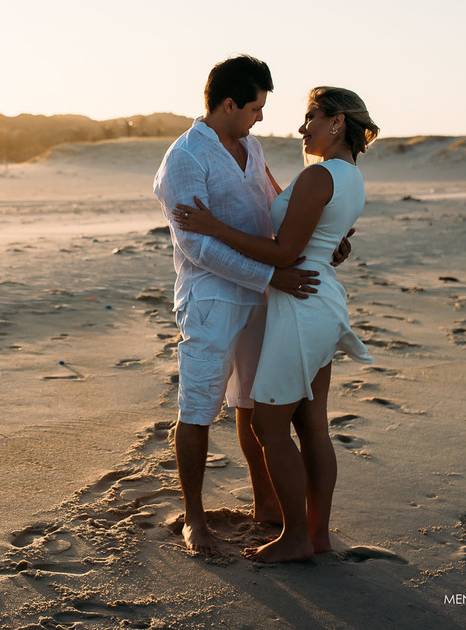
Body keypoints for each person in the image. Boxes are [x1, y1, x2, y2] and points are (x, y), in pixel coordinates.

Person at [173, 86, 380, 562]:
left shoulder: (318, 178)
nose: (301, 127)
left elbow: (285, 253)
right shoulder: (350, 178)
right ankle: (316, 533)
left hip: (301, 307)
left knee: (269, 423)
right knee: (312, 425)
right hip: (320, 299)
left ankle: (296, 538)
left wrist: (213, 227)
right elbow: (321, 239)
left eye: (311, 117)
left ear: (337, 124)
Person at [154, 55, 336, 556]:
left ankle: (266, 504)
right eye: (255, 107)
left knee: (253, 402)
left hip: (264, 295)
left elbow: (276, 202)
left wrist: (325, 237)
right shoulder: (185, 158)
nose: (260, 117)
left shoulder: (251, 147)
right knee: (197, 407)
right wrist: (272, 274)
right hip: (211, 298)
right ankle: (195, 519)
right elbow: (198, 246)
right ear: (229, 103)